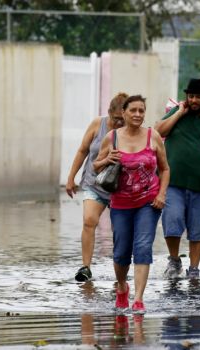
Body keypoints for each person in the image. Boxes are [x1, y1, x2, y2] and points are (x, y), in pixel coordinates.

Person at [94, 95, 170, 313]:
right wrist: (107, 159)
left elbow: (165, 169)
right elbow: (96, 167)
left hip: (149, 202)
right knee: (121, 252)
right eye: (133, 110)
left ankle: (138, 299)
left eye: (141, 110)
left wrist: (162, 194)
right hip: (120, 203)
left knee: (143, 247)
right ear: (124, 113)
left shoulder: (152, 136)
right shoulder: (112, 138)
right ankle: (121, 287)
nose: (138, 114)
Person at [155, 78, 200, 279]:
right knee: (172, 221)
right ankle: (174, 260)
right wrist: (179, 113)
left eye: (198, 97)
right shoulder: (177, 113)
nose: (193, 100)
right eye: (190, 96)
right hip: (173, 183)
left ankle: (194, 269)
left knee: (198, 228)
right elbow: (158, 132)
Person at [66, 92, 129, 282]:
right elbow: (83, 150)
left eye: (122, 120)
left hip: (121, 188)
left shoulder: (131, 131)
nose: (119, 123)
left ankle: (120, 269)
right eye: (115, 119)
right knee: (89, 221)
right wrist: (71, 177)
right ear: (109, 112)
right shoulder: (97, 124)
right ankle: (85, 266)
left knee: (120, 230)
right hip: (94, 183)